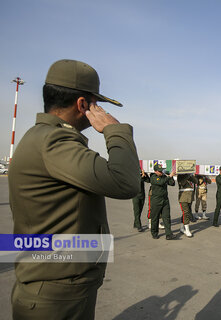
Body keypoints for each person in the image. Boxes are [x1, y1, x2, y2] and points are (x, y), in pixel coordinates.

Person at [8, 59, 140, 319]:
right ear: (83, 104)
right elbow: (126, 182)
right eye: (95, 104)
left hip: (53, 282)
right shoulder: (55, 141)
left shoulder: (41, 137)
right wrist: (116, 130)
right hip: (58, 295)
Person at [150, 165, 177, 240]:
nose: (161, 172)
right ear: (155, 171)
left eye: (161, 170)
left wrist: (170, 176)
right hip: (156, 200)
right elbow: (161, 182)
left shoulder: (164, 176)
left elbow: (172, 184)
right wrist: (169, 176)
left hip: (165, 200)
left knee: (167, 217)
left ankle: (168, 234)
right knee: (155, 218)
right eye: (159, 171)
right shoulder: (153, 177)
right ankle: (154, 233)